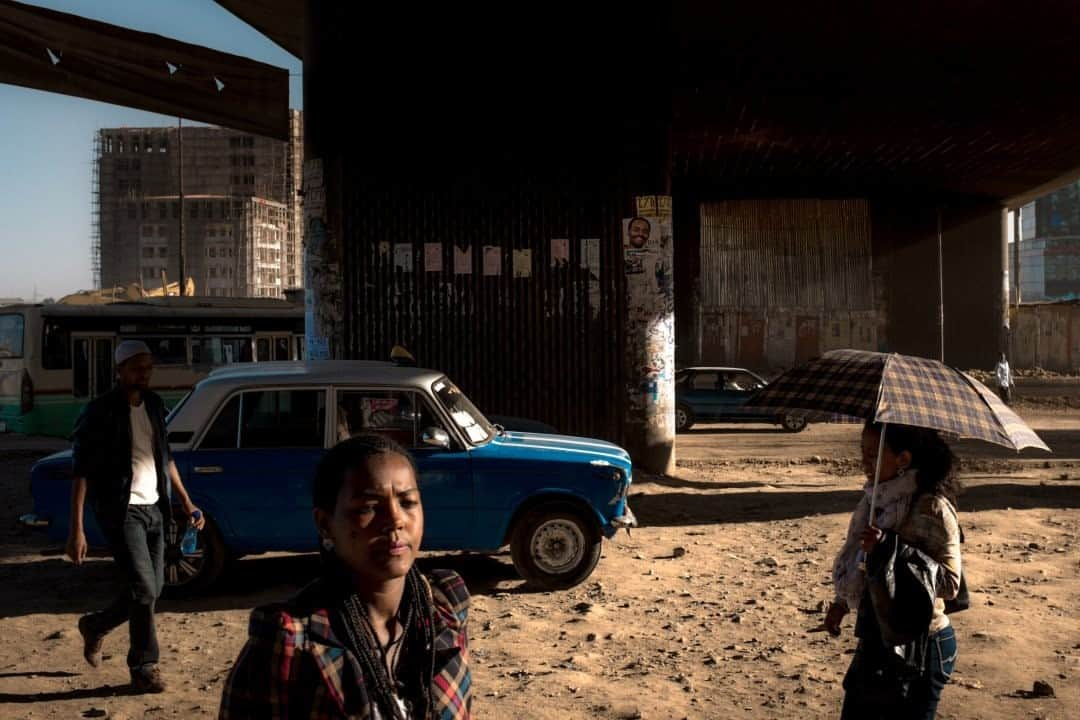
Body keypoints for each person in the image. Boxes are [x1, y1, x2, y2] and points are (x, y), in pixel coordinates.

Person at [219, 434, 472, 719]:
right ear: (325, 524)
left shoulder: (444, 605)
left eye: (408, 502)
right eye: (368, 508)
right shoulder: (292, 642)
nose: (395, 520)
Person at [67, 340, 205, 694]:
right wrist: (77, 529)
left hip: (157, 508)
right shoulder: (99, 412)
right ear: (119, 371)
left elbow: (166, 457)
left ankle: (96, 625)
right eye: (136, 368)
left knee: (152, 588)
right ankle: (144, 665)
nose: (144, 374)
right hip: (121, 510)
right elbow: (81, 469)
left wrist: (187, 503)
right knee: (144, 588)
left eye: (148, 368)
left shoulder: (156, 405)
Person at [825, 422, 962, 719]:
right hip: (877, 638)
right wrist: (841, 602)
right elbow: (864, 567)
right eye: (862, 452)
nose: (864, 461)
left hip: (923, 645)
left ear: (903, 460)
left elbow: (950, 585)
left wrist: (889, 547)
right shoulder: (875, 501)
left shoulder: (931, 508)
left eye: (873, 454)